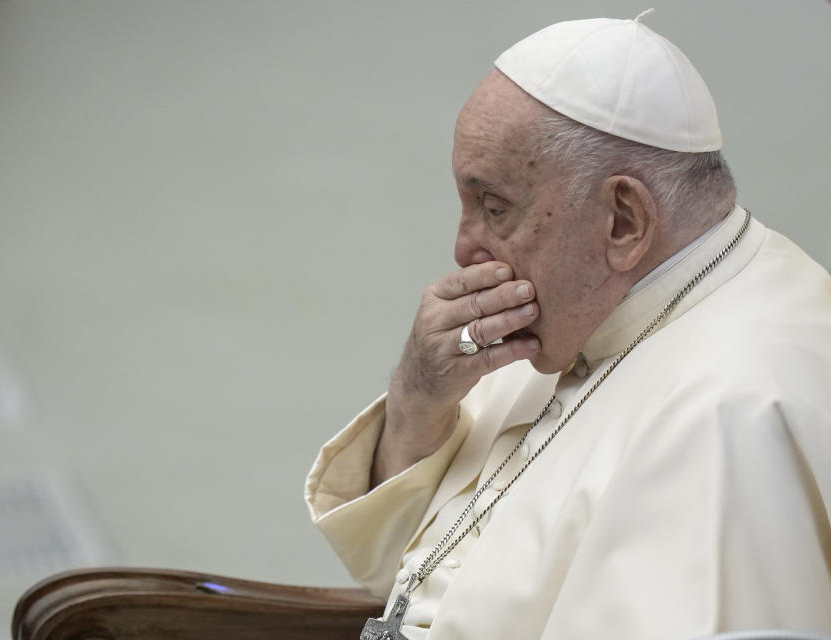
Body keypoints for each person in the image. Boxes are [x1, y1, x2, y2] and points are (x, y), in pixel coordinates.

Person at [304, 14, 831, 640]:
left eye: (494, 208)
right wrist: (419, 401)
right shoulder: (585, 317)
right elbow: (412, 579)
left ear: (623, 222)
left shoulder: (737, 409)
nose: (463, 247)